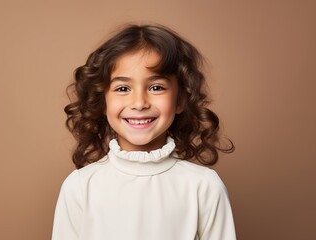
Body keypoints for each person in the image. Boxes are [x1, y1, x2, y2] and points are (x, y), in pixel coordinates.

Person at [52, 24, 236, 240]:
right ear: (102, 102)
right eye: (123, 89)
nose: (139, 103)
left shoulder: (204, 186)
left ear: (181, 100)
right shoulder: (80, 186)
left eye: (156, 87)